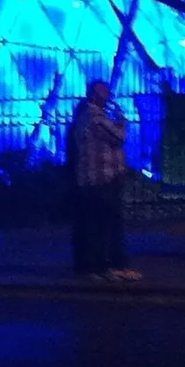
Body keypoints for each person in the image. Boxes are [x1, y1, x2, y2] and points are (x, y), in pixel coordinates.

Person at [69, 81, 138, 281]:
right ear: (95, 95)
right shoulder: (94, 117)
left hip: (100, 178)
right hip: (101, 178)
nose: (108, 97)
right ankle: (104, 267)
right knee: (106, 225)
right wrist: (122, 121)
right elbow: (118, 137)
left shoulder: (90, 116)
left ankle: (102, 266)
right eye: (104, 93)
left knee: (101, 225)